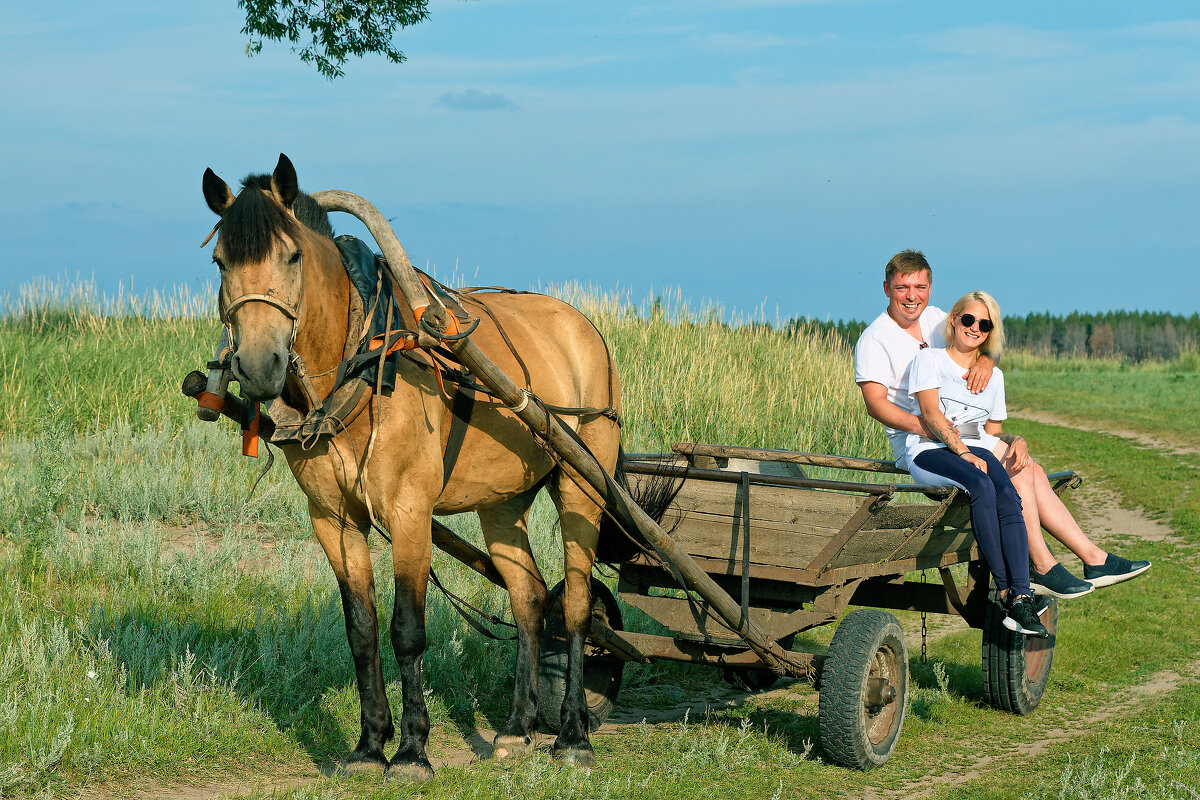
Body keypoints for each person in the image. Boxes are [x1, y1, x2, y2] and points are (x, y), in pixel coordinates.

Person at [854, 250, 1150, 597]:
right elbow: (876, 405)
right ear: (887, 288)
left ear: (930, 288)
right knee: (1018, 474)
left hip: (965, 430)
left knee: (1026, 466)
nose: (911, 296)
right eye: (902, 288)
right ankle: (1042, 565)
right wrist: (929, 428)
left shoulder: (937, 318)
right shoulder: (875, 339)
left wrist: (988, 360)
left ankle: (1091, 557)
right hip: (919, 443)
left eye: (919, 287)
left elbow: (973, 334)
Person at [902, 290, 1046, 635]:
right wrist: (963, 452)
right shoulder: (930, 360)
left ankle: (1022, 596)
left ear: (990, 331)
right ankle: (1007, 591)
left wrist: (1015, 441)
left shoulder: (993, 376)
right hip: (928, 449)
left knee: (1009, 495)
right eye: (968, 319)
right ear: (954, 319)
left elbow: (991, 433)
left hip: (974, 448)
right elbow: (930, 414)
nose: (974, 327)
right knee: (981, 486)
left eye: (984, 324)